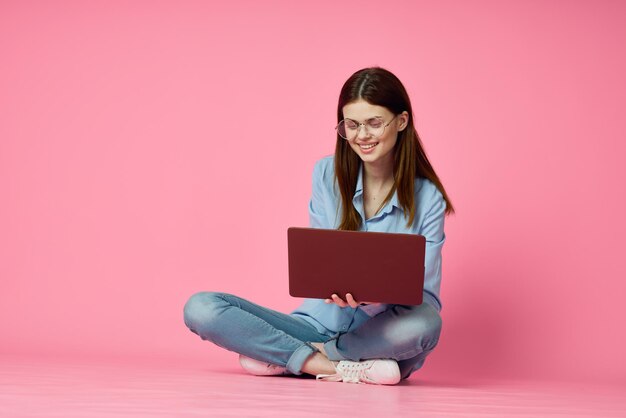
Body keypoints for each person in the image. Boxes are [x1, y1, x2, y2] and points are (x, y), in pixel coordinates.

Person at [183, 67, 454, 385]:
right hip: (316, 325)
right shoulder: (326, 174)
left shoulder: (428, 196)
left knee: (426, 323)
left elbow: (425, 297)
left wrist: (375, 297)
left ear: (402, 122)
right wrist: (330, 282)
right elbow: (322, 257)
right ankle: (336, 367)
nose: (361, 136)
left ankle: (299, 357)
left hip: (382, 338)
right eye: (351, 125)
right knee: (201, 307)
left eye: (373, 123)